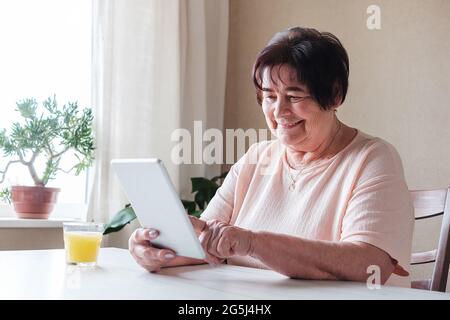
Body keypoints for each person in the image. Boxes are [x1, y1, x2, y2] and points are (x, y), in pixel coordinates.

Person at [128, 27, 414, 287]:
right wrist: (157, 251)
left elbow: (369, 263)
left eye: (294, 96)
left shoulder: (372, 159)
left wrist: (252, 243)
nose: (279, 111)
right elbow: (206, 244)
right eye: (269, 96)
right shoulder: (257, 157)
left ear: (335, 95)